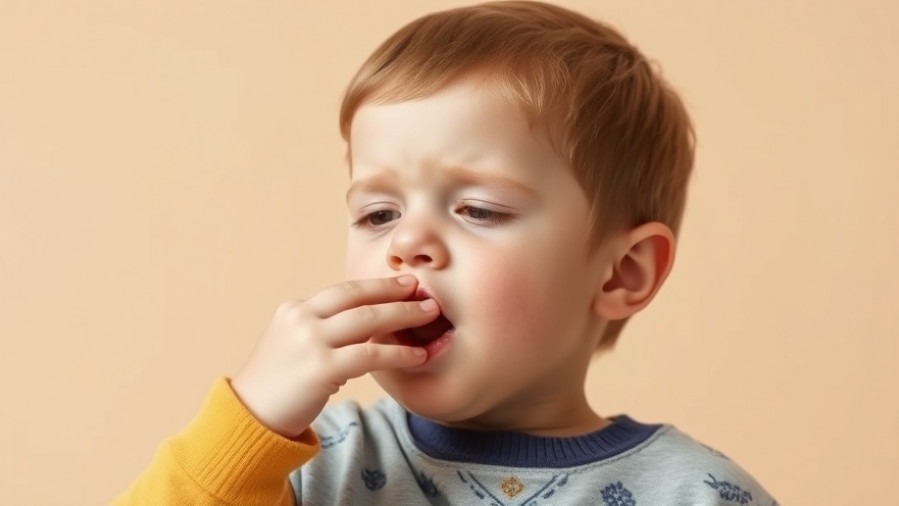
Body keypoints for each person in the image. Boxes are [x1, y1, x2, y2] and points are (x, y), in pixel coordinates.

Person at [115, 2, 777, 504]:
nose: (407, 244)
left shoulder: (695, 493)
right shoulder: (315, 464)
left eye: (477, 210)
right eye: (379, 214)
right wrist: (250, 419)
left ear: (620, 272)